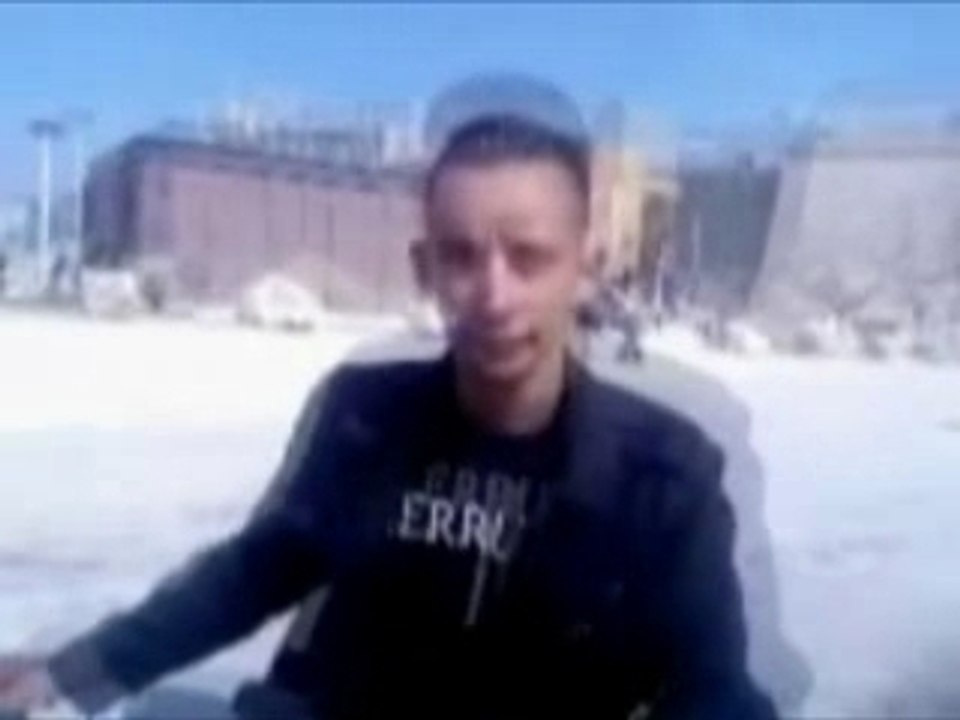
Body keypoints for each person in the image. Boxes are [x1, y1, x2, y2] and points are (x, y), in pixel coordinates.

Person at [0, 77, 777, 720]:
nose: (494, 296)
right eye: (461, 257)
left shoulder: (664, 474)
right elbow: (254, 571)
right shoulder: (364, 418)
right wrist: (77, 671)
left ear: (586, 269)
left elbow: (714, 691)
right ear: (423, 270)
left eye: (530, 258)